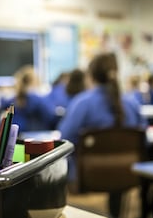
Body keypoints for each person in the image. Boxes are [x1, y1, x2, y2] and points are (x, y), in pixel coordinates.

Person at [58, 52, 146, 218]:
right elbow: (143, 139)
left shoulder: (81, 103)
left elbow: (64, 139)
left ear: (90, 76)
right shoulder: (132, 104)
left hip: (89, 176)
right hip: (128, 174)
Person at [0, 65, 56, 132]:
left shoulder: (13, 99)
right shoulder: (37, 99)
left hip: (16, 135)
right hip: (35, 135)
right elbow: (50, 116)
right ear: (35, 81)